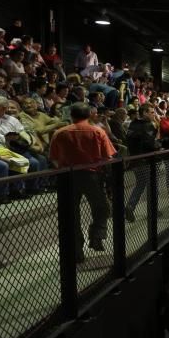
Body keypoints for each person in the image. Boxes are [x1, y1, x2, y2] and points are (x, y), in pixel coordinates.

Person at [48, 102, 116, 260]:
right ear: (89, 115)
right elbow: (108, 157)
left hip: (67, 176)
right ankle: (96, 234)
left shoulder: (60, 132)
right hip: (91, 176)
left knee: (71, 215)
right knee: (103, 208)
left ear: (71, 115)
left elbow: (53, 158)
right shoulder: (97, 131)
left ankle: (77, 253)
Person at [124, 103, 160, 222]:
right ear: (144, 112)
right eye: (152, 112)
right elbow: (151, 144)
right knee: (152, 185)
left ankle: (130, 206)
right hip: (146, 160)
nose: (154, 114)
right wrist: (159, 145)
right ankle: (153, 210)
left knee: (140, 183)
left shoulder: (133, 124)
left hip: (135, 160)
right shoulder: (148, 125)